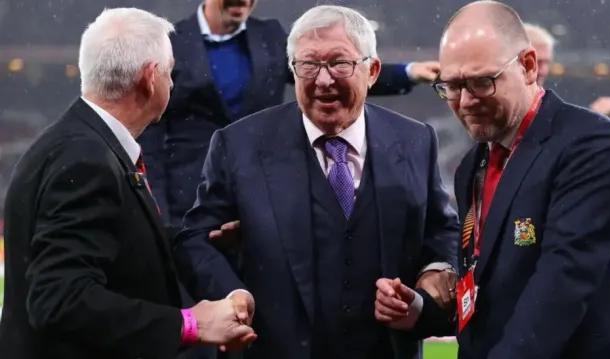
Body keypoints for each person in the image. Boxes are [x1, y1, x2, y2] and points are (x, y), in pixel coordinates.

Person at [173, 5, 459, 359]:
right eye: (308, 65)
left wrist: (436, 272)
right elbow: (195, 239)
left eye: (340, 63)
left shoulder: (416, 140)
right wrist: (232, 294)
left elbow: (442, 230)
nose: (323, 80)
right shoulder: (239, 145)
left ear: (371, 71)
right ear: (292, 70)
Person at [375, 1, 610, 358]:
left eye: (482, 82)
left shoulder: (588, 142)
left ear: (529, 66)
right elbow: (484, 288)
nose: (466, 101)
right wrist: (421, 310)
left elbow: (562, 284)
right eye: (452, 86)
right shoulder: (474, 164)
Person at [0, 8, 255, 359]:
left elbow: (118, 241)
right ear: (151, 78)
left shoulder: (76, 142)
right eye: (170, 73)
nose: (172, 82)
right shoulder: (87, 160)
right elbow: (59, 300)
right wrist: (189, 324)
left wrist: (207, 239)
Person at [138, 0, 443, 232]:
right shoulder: (173, 41)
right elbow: (152, 135)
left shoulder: (268, 36)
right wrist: (159, 212)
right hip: (192, 192)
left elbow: (333, 75)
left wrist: (408, 72)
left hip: (261, 184)